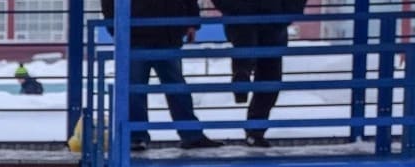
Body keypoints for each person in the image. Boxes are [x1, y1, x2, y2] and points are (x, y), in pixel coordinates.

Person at [102, 0, 223, 151]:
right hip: (156, 33)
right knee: (169, 88)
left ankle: (138, 136)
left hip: (145, 33)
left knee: (145, 89)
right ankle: (189, 135)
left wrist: (116, 28)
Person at [213, 0, 307, 147]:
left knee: (268, 77)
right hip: (258, 17)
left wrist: (287, 14)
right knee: (268, 75)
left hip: (264, 19)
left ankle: (242, 75)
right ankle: (254, 131)